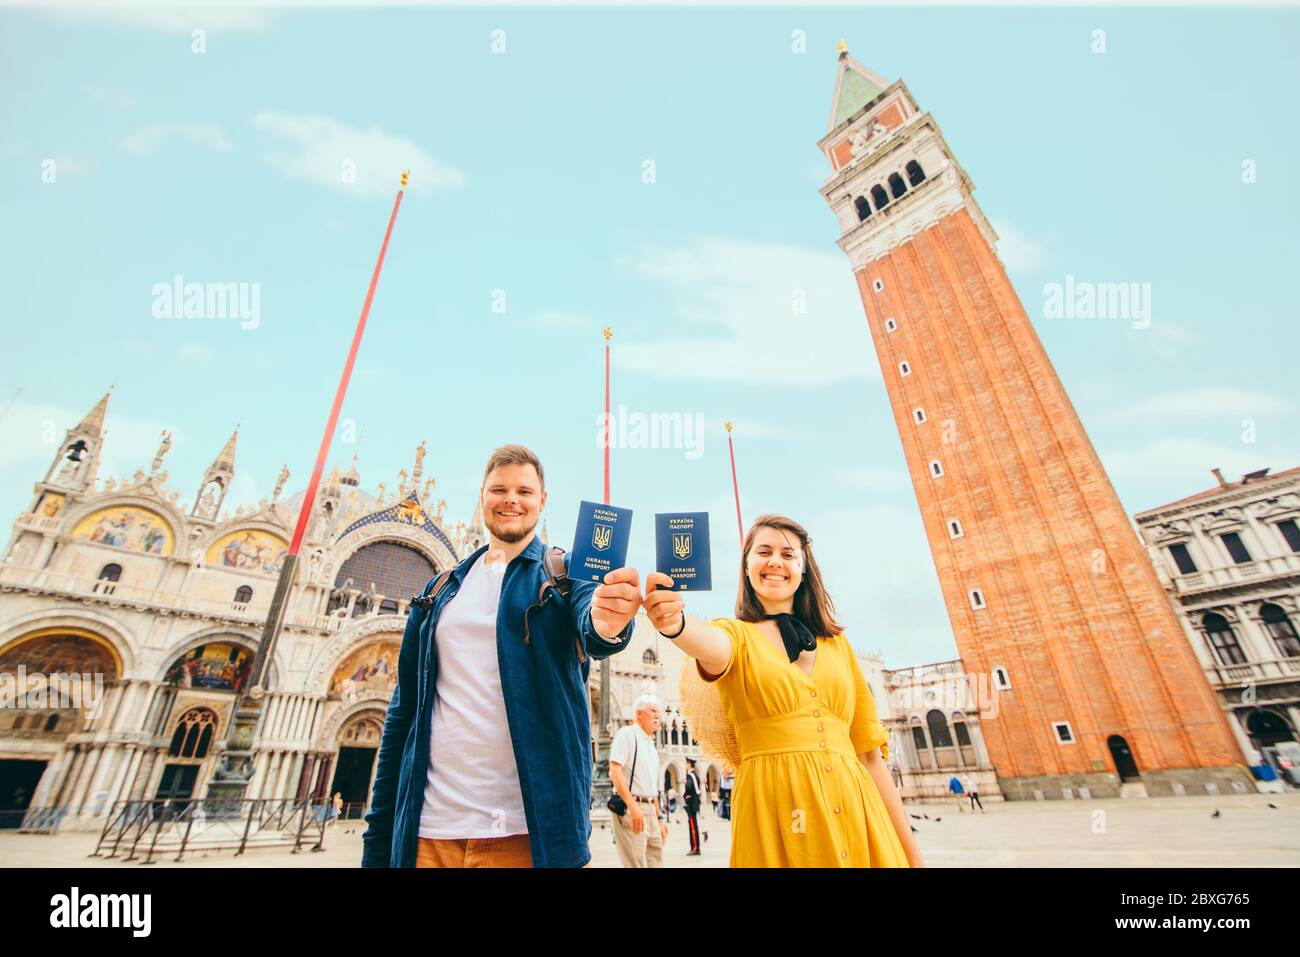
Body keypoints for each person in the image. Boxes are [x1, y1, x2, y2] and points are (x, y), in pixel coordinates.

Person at [362, 445, 641, 868]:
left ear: (542, 501)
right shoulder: (439, 590)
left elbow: (595, 627)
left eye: (524, 491)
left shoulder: (566, 574)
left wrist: (610, 621)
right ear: (482, 496)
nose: (511, 499)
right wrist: (379, 838)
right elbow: (402, 718)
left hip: (527, 836)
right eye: (500, 489)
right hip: (429, 835)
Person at [643, 514, 923, 868]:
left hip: (860, 816)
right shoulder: (734, 636)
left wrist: (913, 858)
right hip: (777, 819)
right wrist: (673, 622)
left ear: (803, 570)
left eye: (788, 554)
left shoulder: (838, 645)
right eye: (763, 551)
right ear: (746, 567)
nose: (776, 561)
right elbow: (706, 643)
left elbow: (869, 756)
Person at [609, 693, 668, 867]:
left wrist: (660, 818)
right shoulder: (627, 734)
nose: (657, 715)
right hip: (632, 808)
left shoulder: (651, 746)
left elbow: (653, 789)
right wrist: (632, 806)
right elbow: (615, 772)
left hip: (651, 810)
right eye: (652, 710)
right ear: (638, 714)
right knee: (636, 863)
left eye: (659, 712)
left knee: (656, 861)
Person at [682, 758, 704, 856]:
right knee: (693, 825)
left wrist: (685, 795)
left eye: (686, 763)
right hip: (694, 803)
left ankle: (695, 848)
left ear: (689, 764)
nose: (685, 765)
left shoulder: (690, 775)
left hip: (691, 804)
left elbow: (689, 786)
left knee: (693, 826)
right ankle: (695, 847)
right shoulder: (695, 775)